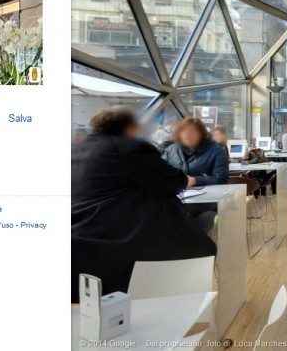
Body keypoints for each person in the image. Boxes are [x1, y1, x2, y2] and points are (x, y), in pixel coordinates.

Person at [71, 106, 215, 302]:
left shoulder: (76, 150)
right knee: (200, 245)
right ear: (129, 127)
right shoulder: (129, 148)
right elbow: (172, 181)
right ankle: (185, 304)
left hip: (80, 238)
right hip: (121, 235)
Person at [162, 118, 229, 186]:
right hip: (175, 190)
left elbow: (221, 179)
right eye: (183, 131)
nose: (187, 135)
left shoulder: (216, 150)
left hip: (206, 191)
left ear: (201, 133)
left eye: (192, 131)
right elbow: (160, 172)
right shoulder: (171, 150)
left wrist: (196, 180)